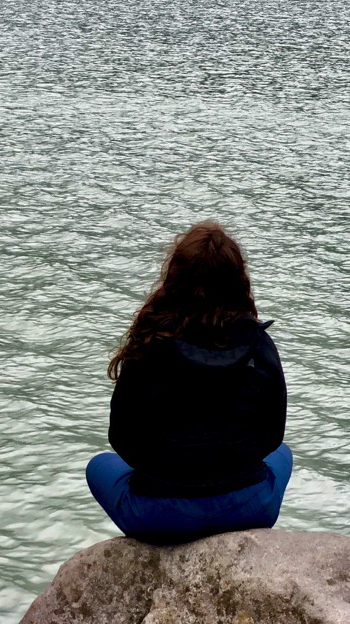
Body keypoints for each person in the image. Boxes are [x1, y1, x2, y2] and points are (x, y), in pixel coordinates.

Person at [86, 221, 293, 544]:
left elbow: (122, 438)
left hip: (159, 516)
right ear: (238, 282)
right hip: (249, 508)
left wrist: (170, 473)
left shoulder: (149, 345)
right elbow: (272, 436)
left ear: (173, 280)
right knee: (284, 455)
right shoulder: (258, 345)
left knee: (98, 466)